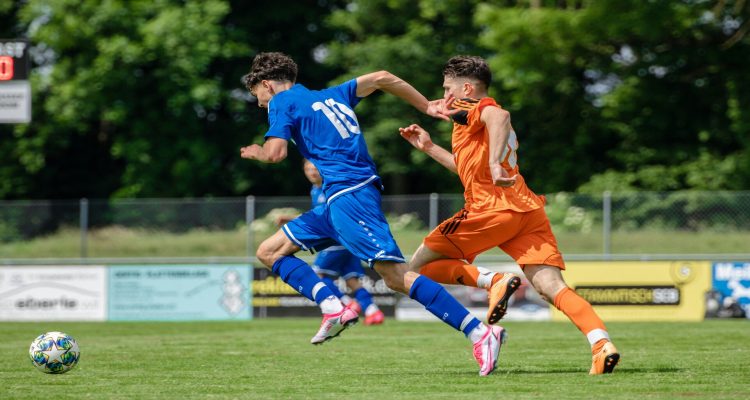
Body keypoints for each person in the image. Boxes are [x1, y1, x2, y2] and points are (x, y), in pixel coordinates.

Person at [240, 52, 507, 376]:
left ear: (267, 84)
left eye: (258, 96)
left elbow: (276, 152)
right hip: (334, 200)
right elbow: (382, 76)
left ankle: (480, 332)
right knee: (268, 251)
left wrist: (259, 153)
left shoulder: (282, 102)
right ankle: (333, 306)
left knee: (396, 277)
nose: (259, 104)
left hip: (350, 195)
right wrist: (425, 105)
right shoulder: (330, 95)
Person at [397, 55, 620, 375]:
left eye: (448, 88)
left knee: (414, 269)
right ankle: (601, 344)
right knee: (551, 287)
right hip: (526, 210)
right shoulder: (468, 121)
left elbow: (500, 117)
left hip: (490, 209)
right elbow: (466, 170)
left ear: (467, 87)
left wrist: (493, 164)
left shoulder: (480, 108)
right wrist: (429, 147)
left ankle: (495, 281)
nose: (444, 96)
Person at [276, 159, 386, 325]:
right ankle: (373, 311)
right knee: (351, 280)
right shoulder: (315, 189)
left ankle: (348, 304)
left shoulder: (331, 188)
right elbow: (317, 216)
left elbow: (329, 217)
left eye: (314, 169)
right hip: (348, 242)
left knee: (316, 275)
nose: (311, 172)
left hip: (336, 240)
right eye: (307, 169)